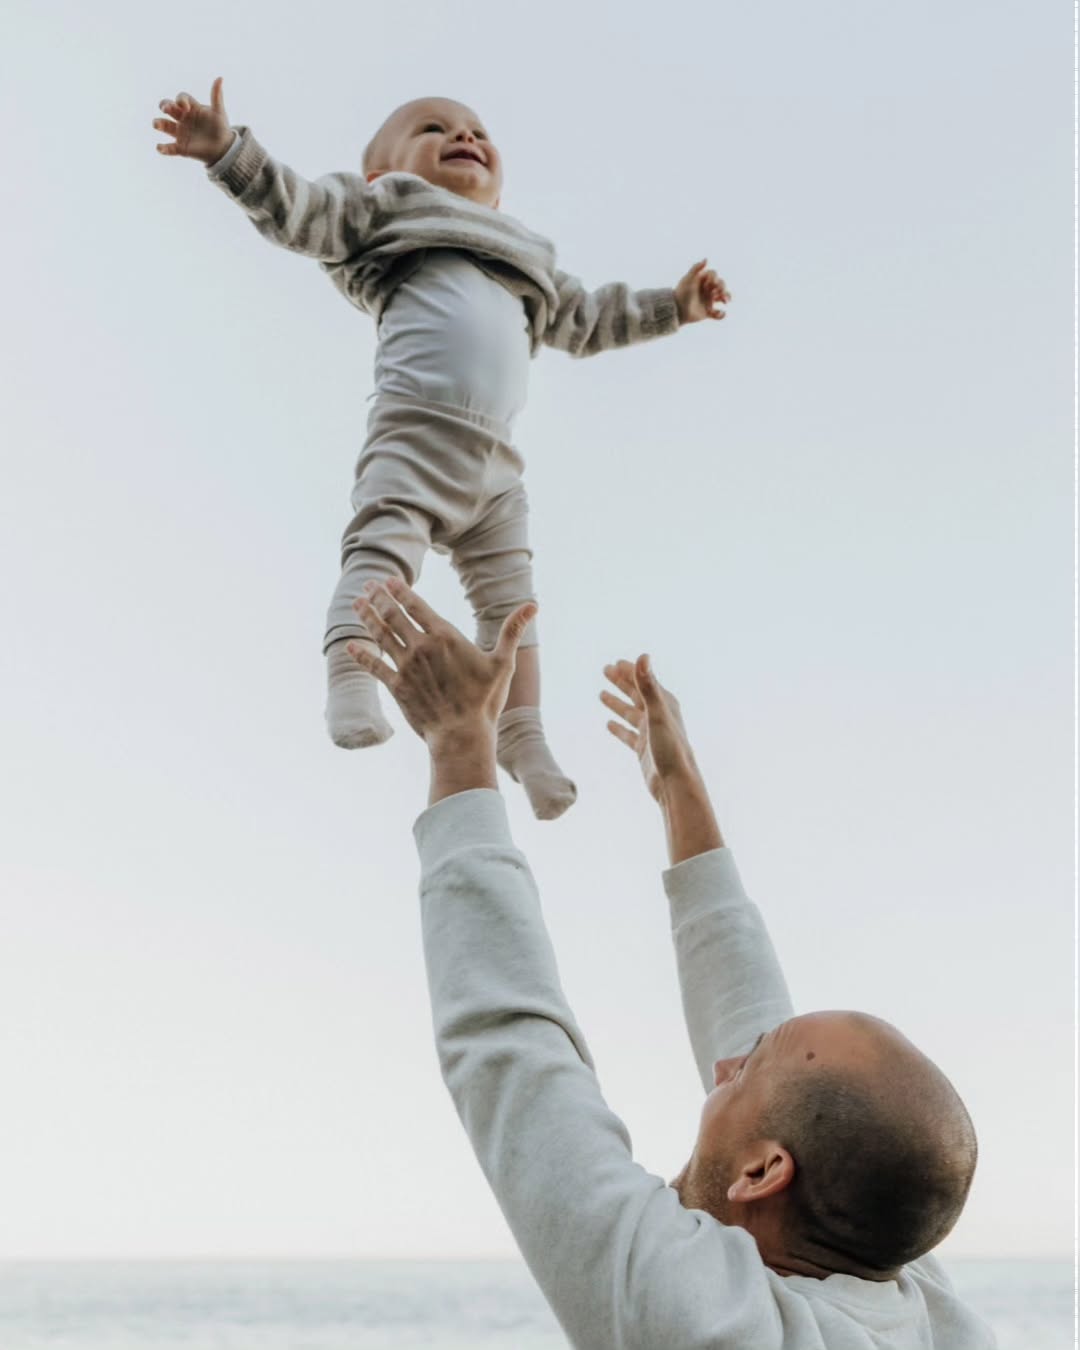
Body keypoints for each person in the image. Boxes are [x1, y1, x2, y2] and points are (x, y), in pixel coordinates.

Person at [350, 577, 998, 1349]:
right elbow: (772, 1051)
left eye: (747, 1070)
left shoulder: (698, 1321)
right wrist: (679, 792)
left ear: (763, 1174)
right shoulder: (915, 1294)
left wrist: (459, 744)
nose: (724, 1064)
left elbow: (513, 1055)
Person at [151, 81, 730, 820]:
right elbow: (297, 209)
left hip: (497, 466)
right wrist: (228, 152)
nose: (464, 136)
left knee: (513, 604)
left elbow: (589, 318)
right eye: (433, 128)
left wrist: (673, 308)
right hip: (416, 431)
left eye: (478, 130)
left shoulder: (528, 255)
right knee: (382, 556)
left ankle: (522, 734)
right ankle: (353, 674)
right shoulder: (386, 209)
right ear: (382, 170)